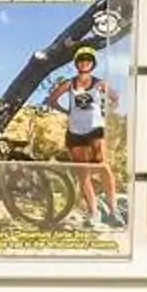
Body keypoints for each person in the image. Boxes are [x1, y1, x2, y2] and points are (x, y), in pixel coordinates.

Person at [46, 49, 123, 230]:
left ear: (93, 64)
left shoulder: (98, 83)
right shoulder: (69, 83)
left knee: (102, 166)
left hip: (94, 129)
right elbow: (52, 99)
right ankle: (94, 213)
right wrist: (67, 112)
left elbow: (115, 98)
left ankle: (114, 210)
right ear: (77, 63)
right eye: (81, 60)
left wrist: (105, 111)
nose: (84, 63)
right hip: (75, 131)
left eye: (88, 60)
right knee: (82, 173)